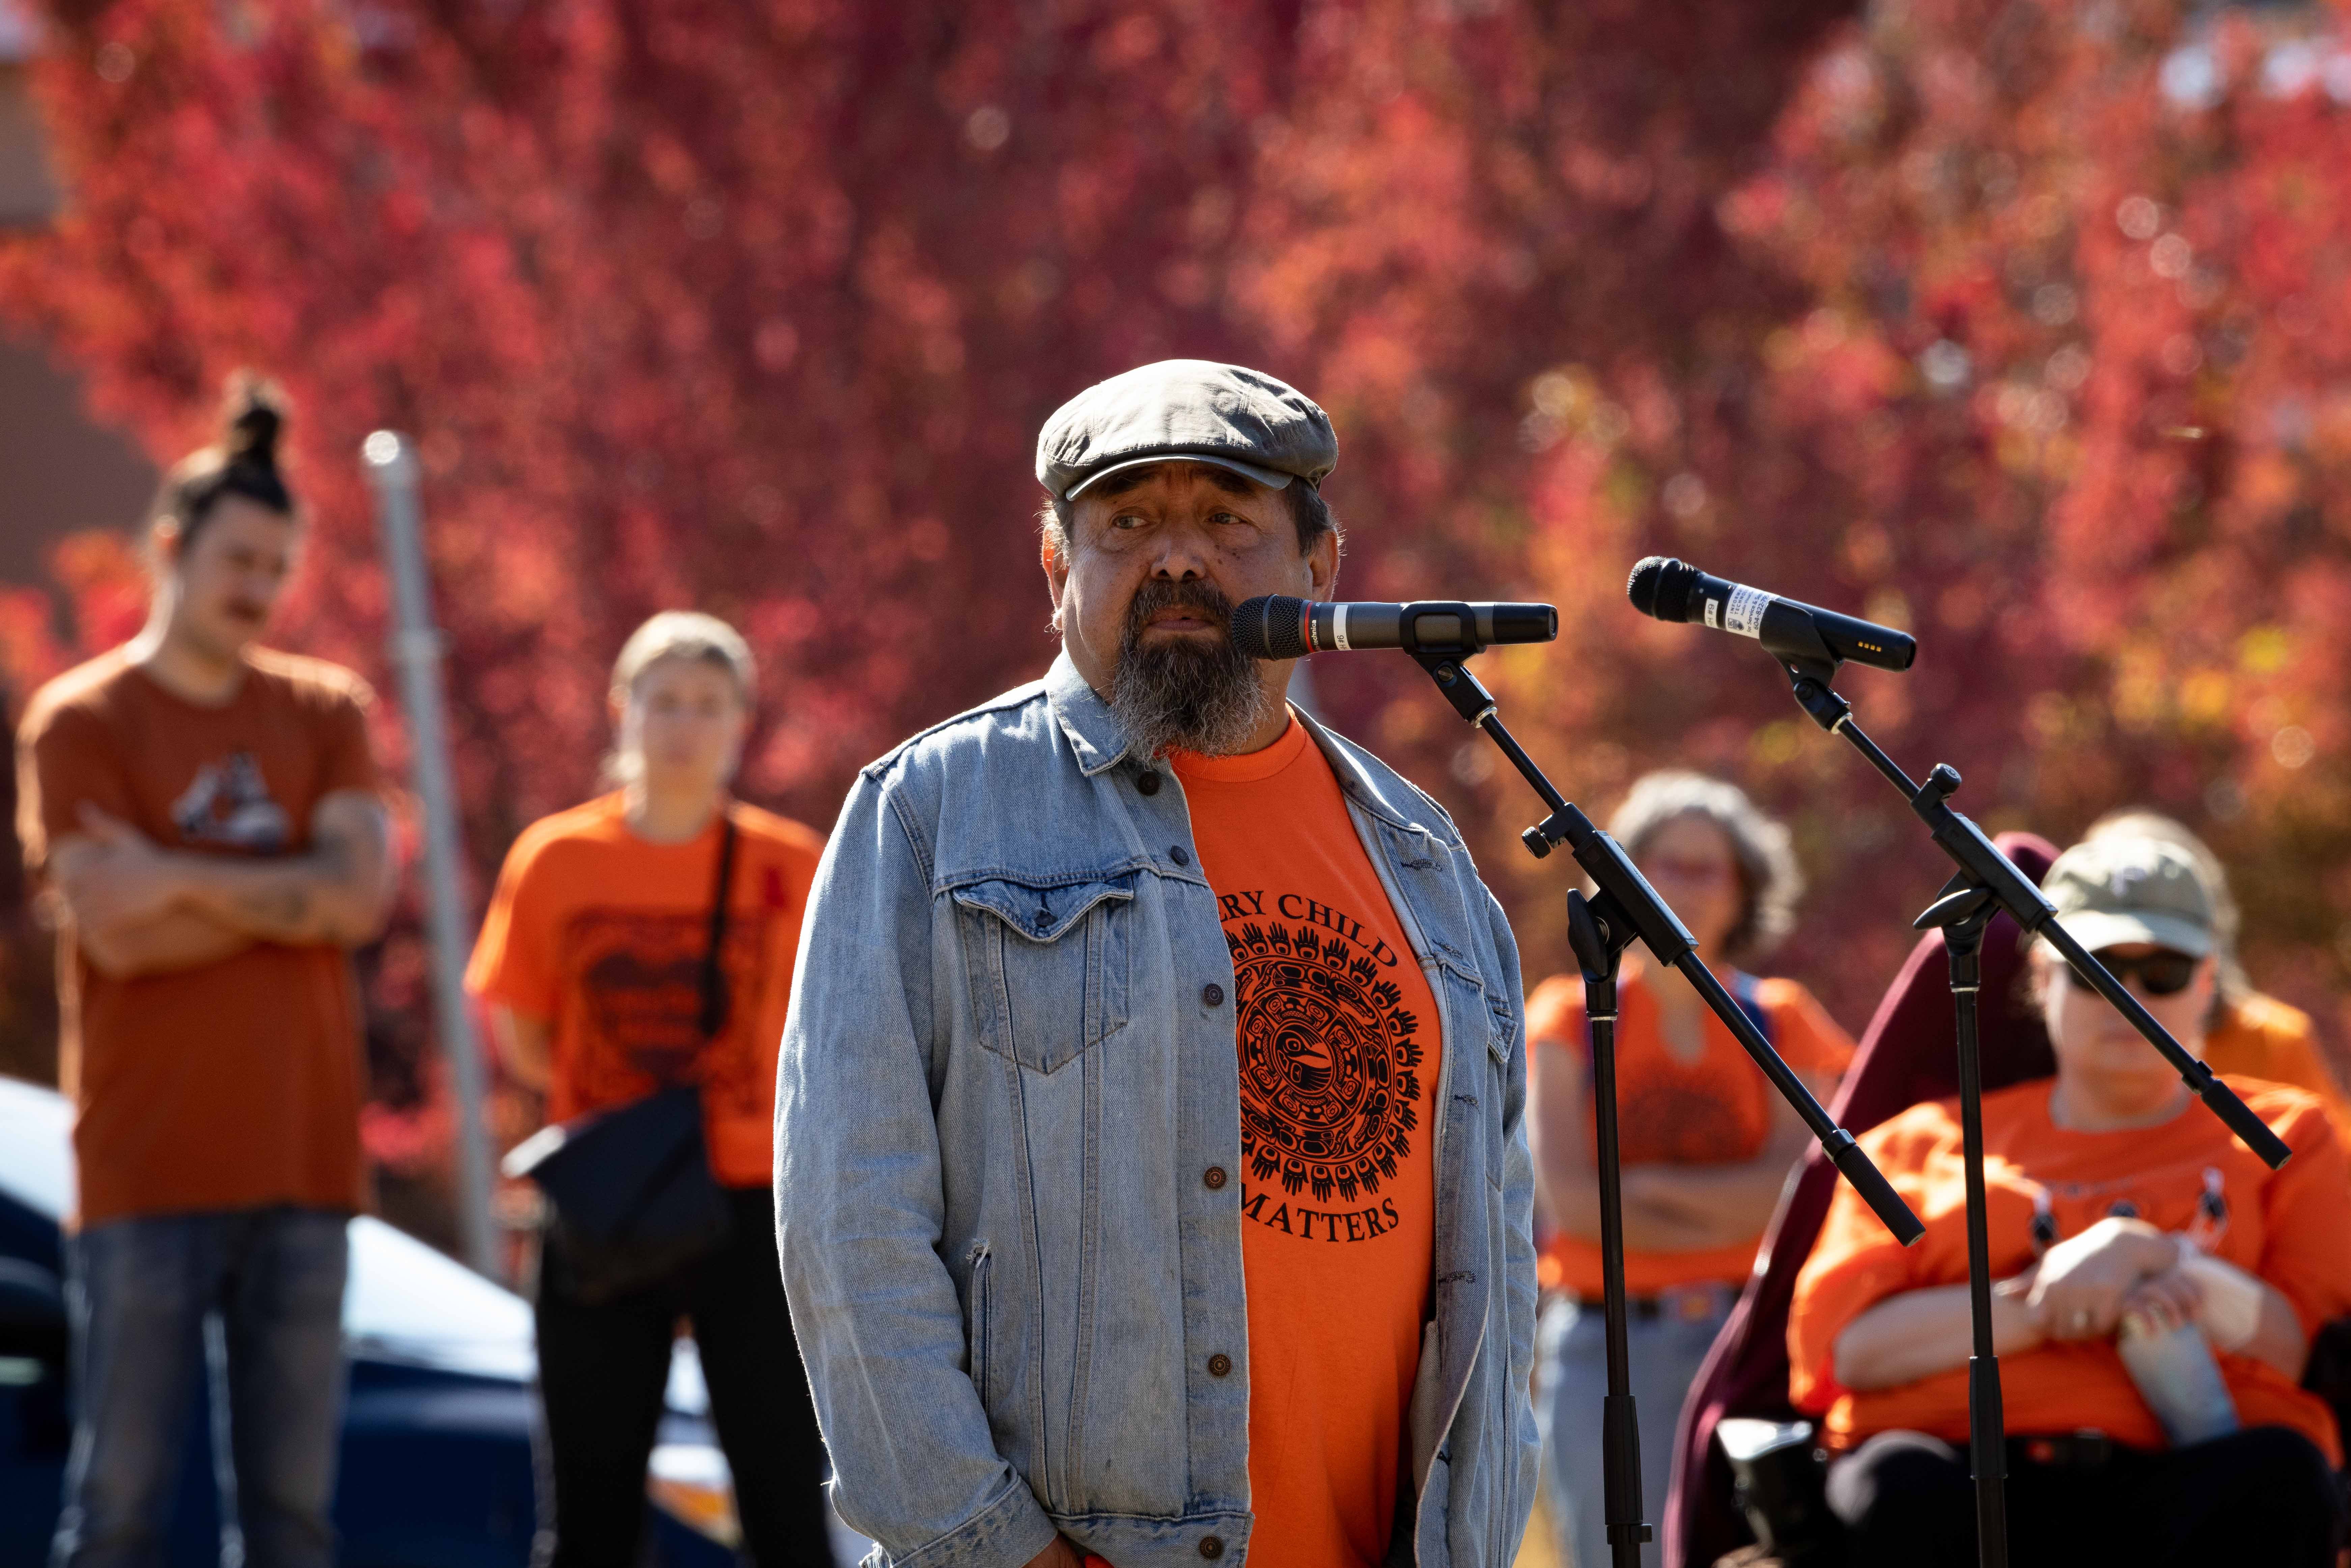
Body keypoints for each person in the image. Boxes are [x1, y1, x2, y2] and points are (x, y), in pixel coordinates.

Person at [775, 360, 1538, 1568]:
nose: (1177, 559)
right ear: (1053, 568)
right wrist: (992, 1549)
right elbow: (847, 1229)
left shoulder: (1423, 858)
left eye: (1228, 520)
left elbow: (1497, 1261)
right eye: (1126, 524)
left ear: (1321, 568)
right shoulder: (931, 813)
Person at [15, 376, 396, 1568]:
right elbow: (117, 932)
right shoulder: (83, 720)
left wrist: (175, 873)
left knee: (292, 1524)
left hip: (304, 1166)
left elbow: (357, 897)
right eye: (238, 558)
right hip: (144, 1175)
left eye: (277, 566)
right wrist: (283, 897)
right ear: (170, 547)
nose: (258, 589)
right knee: (118, 1512)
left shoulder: (324, 708)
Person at [1787, 834, 2351, 1567]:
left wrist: (2160, 1259)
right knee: (1898, 1481)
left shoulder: (2288, 1134)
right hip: (1963, 1486)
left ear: (2208, 981)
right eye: (2095, 970)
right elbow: (1850, 1352)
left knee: (2281, 1476)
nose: (2129, 998)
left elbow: (2303, 1345)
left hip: (2191, 1488)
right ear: (2040, 975)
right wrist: (2037, 1298)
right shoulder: (1918, 1143)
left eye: (2163, 971)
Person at [465, 611, 834, 1568]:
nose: (682, 723)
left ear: (740, 724)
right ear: (621, 711)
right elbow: (524, 1039)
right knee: (591, 1509)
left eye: (707, 704)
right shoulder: (555, 860)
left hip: (753, 1202)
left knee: (785, 1492)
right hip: (607, 1201)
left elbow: (830, 1037)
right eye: (662, 700)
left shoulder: (791, 866)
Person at [1524, 771, 1853, 1568]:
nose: (1681, 885)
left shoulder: (1783, 1021)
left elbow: (1796, 1200)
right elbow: (1572, 1207)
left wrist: (1645, 1189)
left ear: (1744, 889)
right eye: (1661, 863)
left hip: (1749, 1346)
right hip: (1603, 1351)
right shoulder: (1567, 1019)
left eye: (1707, 867)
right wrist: (1726, 1201)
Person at [2087, 808, 2351, 1135]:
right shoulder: (2058, 1047)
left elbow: (2333, 1169)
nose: (2132, 987)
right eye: (2103, 960)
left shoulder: (2273, 1041)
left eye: (2165, 966)